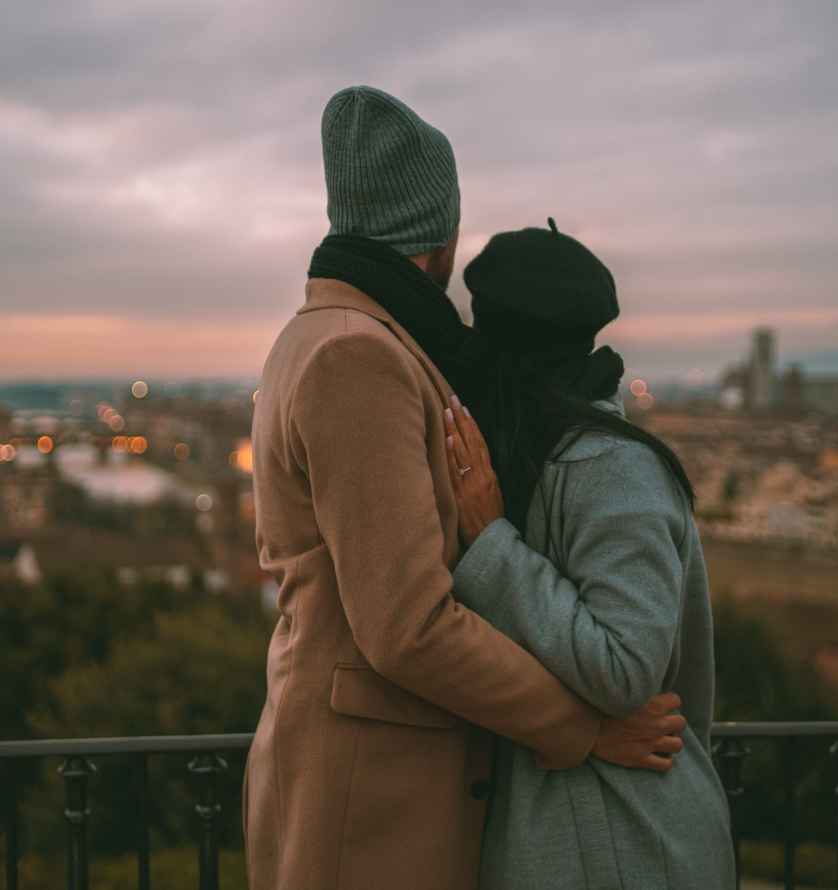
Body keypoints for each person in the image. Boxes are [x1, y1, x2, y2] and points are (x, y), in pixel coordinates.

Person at [244, 87, 687, 890]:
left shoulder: (323, 335)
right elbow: (409, 624)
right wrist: (581, 729)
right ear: (436, 233)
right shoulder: (360, 357)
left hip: (363, 777)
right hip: (374, 793)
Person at [441, 220, 738, 889]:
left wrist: (493, 549)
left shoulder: (611, 467)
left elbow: (626, 666)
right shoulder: (553, 455)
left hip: (627, 841)